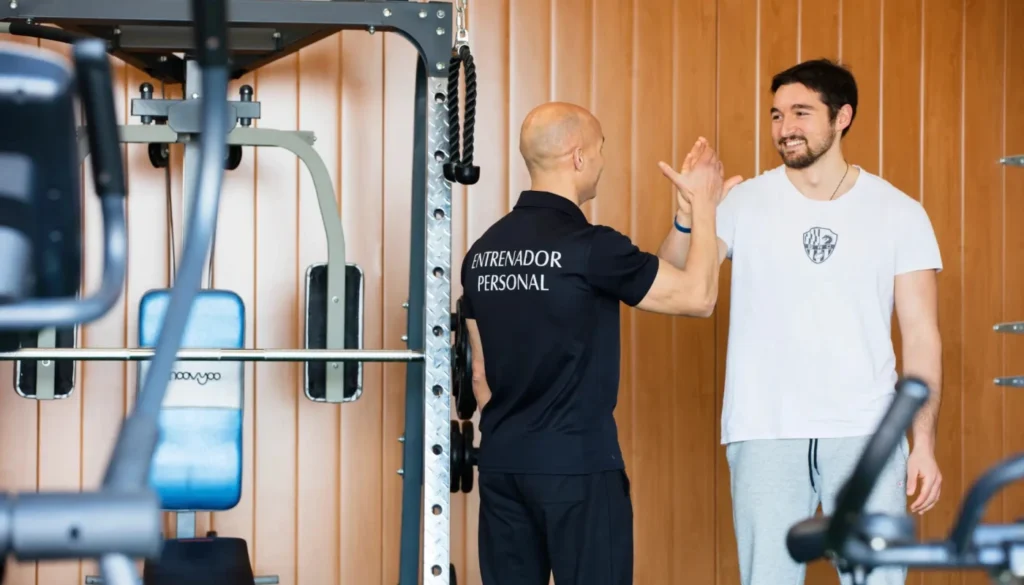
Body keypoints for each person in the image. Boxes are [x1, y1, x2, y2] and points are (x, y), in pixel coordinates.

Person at [660, 59, 944, 585]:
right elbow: (675, 278)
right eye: (776, 114)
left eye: (800, 112)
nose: (784, 127)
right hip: (764, 429)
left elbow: (922, 336)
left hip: (868, 433)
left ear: (842, 117)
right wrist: (689, 214)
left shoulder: (900, 212)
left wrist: (922, 442)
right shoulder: (742, 203)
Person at [458, 101, 742, 585]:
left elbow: (479, 374)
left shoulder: (482, 252)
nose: (603, 161)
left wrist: (683, 220)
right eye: (601, 149)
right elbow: (698, 297)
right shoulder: (590, 246)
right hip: (578, 468)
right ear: (578, 157)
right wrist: (706, 205)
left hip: (503, 466)